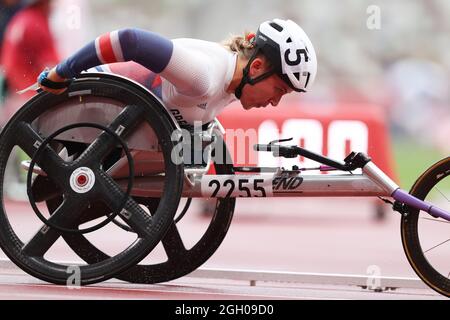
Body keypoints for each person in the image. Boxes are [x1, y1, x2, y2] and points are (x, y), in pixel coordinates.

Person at [37, 18, 317, 130]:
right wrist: (63, 71)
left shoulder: (232, 83)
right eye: (280, 90)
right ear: (256, 68)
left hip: (109, 128)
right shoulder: (203, 77)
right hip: (76, 114)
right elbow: (130, 39)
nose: (276, 102)